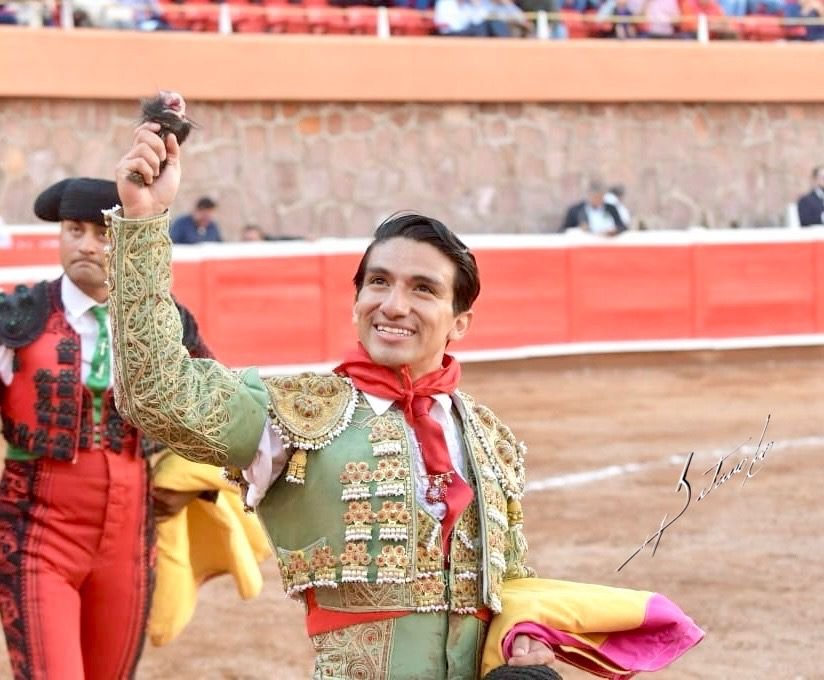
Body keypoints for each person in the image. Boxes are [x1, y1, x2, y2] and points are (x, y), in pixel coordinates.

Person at [109, 121, 558, 678]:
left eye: (423, 289)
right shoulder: (297, 414)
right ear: (357, 301)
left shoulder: (489, 437)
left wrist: (526, 644)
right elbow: (155, 392)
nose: (394, 305)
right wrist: (143, 221)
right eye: (379, 282)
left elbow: (510, 579)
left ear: (459, 322)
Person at [0, 177, 214, 680]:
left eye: (103, 233)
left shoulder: (164, 322)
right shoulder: (16, 319)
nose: (87, 245)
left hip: (130, 536)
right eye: (74, 230)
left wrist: (189, 479)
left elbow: (213, 410)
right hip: (36, 531)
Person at [560, 179, 627, 236]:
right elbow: (564, 231)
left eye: (600, 197)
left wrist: (615, 231)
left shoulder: (611, 209)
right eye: (595, 197)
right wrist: (580, 229)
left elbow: (622, 227)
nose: (598, 200)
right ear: (589, 195)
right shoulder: (575, 210)